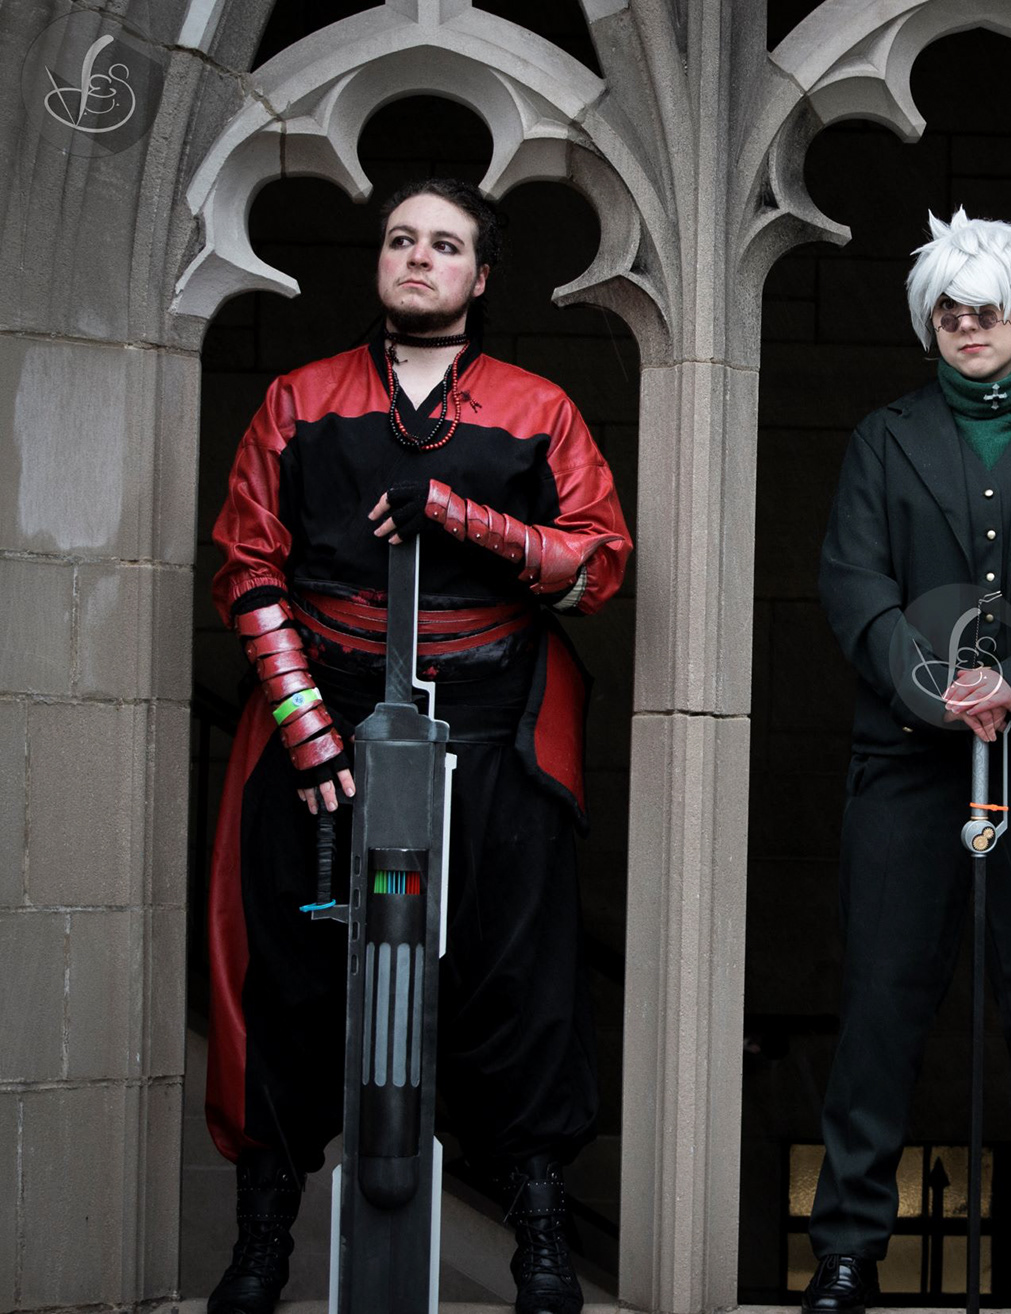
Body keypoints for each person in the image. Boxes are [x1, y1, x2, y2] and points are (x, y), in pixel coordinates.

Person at [203, 177, 631, 1314]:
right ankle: (263, 1239)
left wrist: (463, 518)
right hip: (325, 712)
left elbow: (596, 567)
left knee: (519, 978)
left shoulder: (538, 408)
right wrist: (305, 730)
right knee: (291, 977)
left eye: (444, 244)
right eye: (401, 239)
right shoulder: (299, 400)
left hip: (494, 719)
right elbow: (246, 566)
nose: (418, 257)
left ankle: (539, 1227)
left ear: (480, 277)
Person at [801, 209, 1011, 1314]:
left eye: (988, 309)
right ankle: (848, 1247)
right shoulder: (881, 438)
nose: (969, 325)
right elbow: (854, 584)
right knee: (882, 1005)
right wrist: (931, 686)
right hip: (906, 761)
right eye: (950, 311)